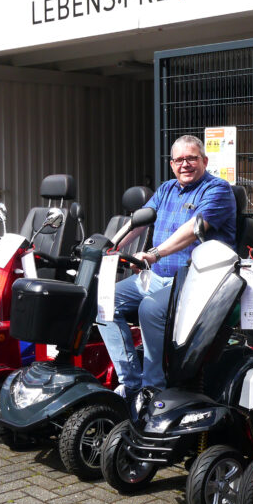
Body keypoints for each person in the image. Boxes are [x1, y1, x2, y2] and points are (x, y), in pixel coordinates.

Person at [97, 135, 237, 400]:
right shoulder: (166, 189)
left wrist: (154, 254)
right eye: (179, 160)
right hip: (158, 277)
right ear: (172, 165)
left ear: (204, 161)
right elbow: (139, 221)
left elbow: (192, 230)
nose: (185, 164)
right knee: (105, 300)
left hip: (195, 283)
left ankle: (154, 388)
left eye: (192, 158)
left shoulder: (217, 190)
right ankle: (132, 383)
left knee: (149, 307)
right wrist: (111, 247)